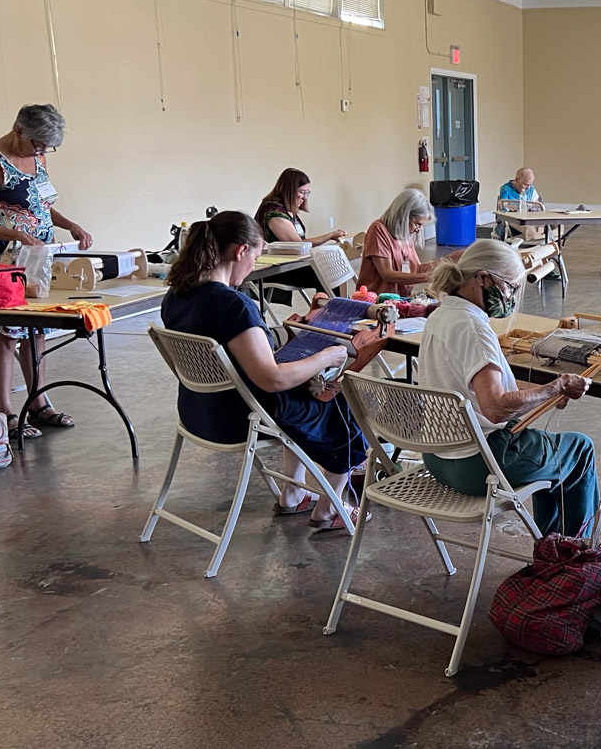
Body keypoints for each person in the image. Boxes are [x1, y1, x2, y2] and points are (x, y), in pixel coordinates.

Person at [161, 211, 367, 534]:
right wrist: (327, 356)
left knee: (302, 391)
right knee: (340, 403)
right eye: (255, 258)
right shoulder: (234, 306)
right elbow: (272, 379)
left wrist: (285, 340)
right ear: (241, 251)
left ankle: (294, 493)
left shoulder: (176, 297)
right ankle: (331, 506)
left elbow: (240, 353)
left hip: (198, 412)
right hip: (239, 418)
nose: (253, 267)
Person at [419, 240, 601, 538]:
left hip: (438, 457)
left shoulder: (440, 315)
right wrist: (557, 386)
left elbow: (480, 388)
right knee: (579, 449)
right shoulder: (473, 328)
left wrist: (549, 392)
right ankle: (574, 553)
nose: (512, 297)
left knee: (549, 451)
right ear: (482, 278)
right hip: (477, 464)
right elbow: (494, 407)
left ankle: (552, 547)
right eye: (511, 287)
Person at [0, 104, 93, 439]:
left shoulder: (38, 155)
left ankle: (38, 402)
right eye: (38, 144)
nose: (42, 152)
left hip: (35, 256)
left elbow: (39, 204)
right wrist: (15, 234)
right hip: (3, 258)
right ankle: (5, 411)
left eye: (47, 147)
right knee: (6, 334)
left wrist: (70, 225)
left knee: (37, 330)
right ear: (19, 130)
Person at [253, 168, 347, 299]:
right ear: (289, 191)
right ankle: (332, 309)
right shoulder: (273, 212)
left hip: (292, 264)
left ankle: (336, 306)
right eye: (302, 192)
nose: (305, 197)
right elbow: (298, 244)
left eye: (307, 192)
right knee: (328, 273)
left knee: (333, 270)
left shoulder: (287, 210)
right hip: (274, 270)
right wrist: (330, 235)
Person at [357, 188, 438, 296]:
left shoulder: (405, 234)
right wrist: (429, 277)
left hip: (400, 299)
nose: (418, 230)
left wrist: (445, 262)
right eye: (417, 224)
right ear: (404, 215)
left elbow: (416, 268)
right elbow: (387, 274)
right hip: (378, 301)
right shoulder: (378, 229)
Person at [494, 167, 542, 242]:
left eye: (530, 184)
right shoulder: (506, 189)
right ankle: (536, 234)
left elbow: (537, 207)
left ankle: (537, 234)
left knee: (553, 226)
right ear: (517, 179)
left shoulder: (531, 189)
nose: (528, 188)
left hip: (528, 220)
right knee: (526, 228)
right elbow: (503, 208)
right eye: (525, 184)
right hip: (512, 222)